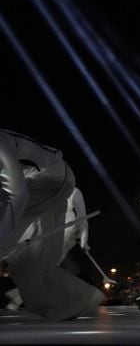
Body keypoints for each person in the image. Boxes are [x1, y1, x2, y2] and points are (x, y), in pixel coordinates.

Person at [0, 129, 104, 320]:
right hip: (40, 185)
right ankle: (73, 300)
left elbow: (17, 196)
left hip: (51, 183)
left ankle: (67, 299)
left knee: (11, 243)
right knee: (22, 259)